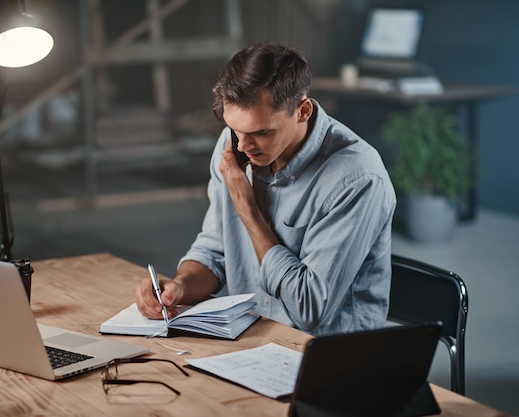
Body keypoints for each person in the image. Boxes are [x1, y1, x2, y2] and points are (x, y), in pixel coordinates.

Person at [134, 42, 396, 336]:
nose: (243, 146)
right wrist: (179, 287)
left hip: (328, 357)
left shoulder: (357, 178)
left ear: (303, 111)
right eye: (234, 128)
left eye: (261, 132)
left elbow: (309, 309)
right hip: (248, 337)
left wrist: (248, 212)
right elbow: (215, 251)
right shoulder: (233, 145)